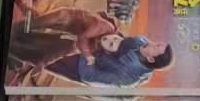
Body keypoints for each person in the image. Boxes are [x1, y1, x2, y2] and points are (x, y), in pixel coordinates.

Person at [46, 33, 174, 89]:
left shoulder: (128, 77)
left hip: (78, 65)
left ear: (151, 59)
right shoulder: (140, 41)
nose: (152, 43)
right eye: (157, 43)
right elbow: (119, 39)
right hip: (90, 44)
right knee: (48, 38)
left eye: (156, 47)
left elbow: (89, 76)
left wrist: (87, 53)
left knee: (41, 55)